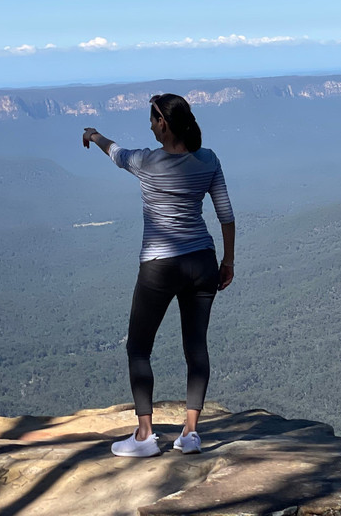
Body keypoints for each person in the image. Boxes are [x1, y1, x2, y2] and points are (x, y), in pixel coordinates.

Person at [82, 93, 235, 458]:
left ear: (163, 124)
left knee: (138, 347)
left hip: (159, 265)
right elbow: (226, 215)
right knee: (196, 347)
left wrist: (94, 134)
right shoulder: (208, 159)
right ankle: (191, 433)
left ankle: (146, 436)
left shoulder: (147, 162)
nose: (149, 125)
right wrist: (228, 262)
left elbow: (115, 152)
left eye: (152, 120)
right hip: (202, 262)